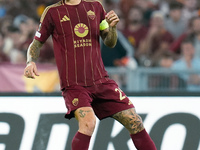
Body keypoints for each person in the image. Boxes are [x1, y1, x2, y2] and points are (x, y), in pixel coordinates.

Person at [24, 0, 157, 149]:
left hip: (101, 81)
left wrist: (112, 28)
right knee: (88, 123)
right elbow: (36, 43)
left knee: (135, 121)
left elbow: (109, 42)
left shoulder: (96, 7)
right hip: (74, 85)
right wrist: (30, 61)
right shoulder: (52, 12)